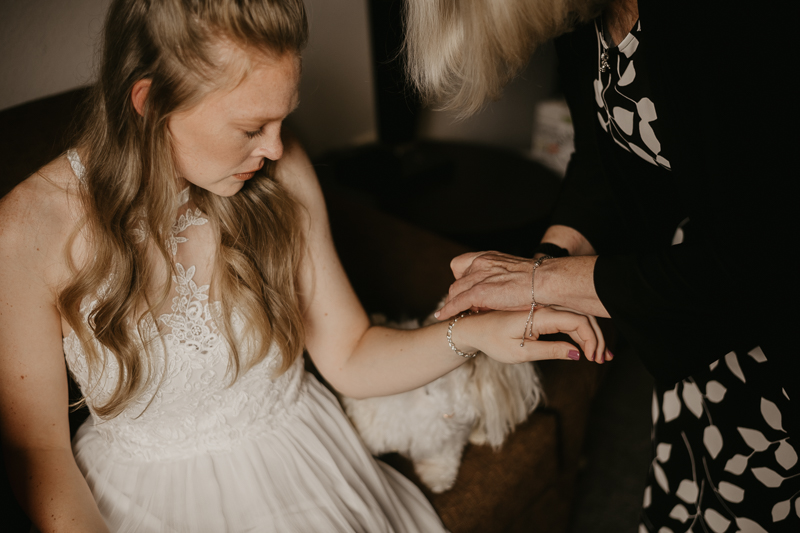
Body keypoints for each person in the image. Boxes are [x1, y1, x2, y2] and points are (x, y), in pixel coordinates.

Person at [0, 0, 608, 531]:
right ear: (150, 101)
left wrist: (474, 333)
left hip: (307, 457)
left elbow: (349, 354)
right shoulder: (29, 228)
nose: (274, 147)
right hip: (140, 496)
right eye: (250, 127)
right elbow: (38, 449)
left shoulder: (280, 168)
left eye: (282, 118)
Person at [404, 0, 798, 531]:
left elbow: (753, 262)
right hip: (698, 317)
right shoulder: (582, 15)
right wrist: (546, 264)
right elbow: (604, 160)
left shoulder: (728, 22)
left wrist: (542, 280)